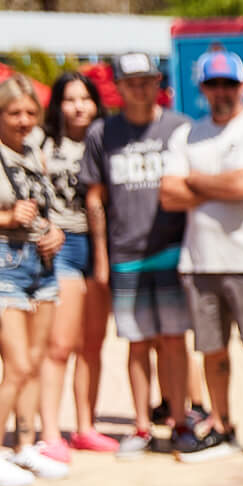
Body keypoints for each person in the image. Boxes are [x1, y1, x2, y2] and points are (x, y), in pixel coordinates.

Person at [160, 49, 243, 463]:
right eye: (214, 84)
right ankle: (221, 424)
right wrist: (217, 184)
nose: (222, 91)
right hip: (200, 261)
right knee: (212, 350)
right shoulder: (188, 134)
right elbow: (168, 194)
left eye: (229, 84)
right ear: (202, 88)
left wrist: (194, 181)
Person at [80, 53, 193, 458]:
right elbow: (95, 195)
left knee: (175, 340)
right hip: (126, 253)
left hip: (172, 251)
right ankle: (143, 427)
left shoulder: (179, 128)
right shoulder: (102, 133)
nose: (140, 88)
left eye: (147, 80)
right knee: (137, 343)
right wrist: (100, 257)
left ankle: (180, 421)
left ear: (158, 81)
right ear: (119, 86)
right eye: (132, 82)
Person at [35, 71, 116, 459]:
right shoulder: (42, 142)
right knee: (60, 345)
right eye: (69, 99)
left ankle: (86, 426)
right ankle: (50, 432)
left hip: (100, 247)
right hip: (61, 247)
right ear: (57, 104)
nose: (78, 106)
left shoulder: (107, 140)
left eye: (85, 98)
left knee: (93, 344)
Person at [1, 75, 70, 486]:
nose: (24, 121)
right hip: (6, 266)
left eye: (30, 112)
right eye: (14, 113)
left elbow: (45, 207)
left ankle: (24, 446)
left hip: (43, 266)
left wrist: (55, 229)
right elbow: (13, 213)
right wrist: (8, 218)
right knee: (18, 365)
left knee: (36, 362)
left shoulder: (35, 152)